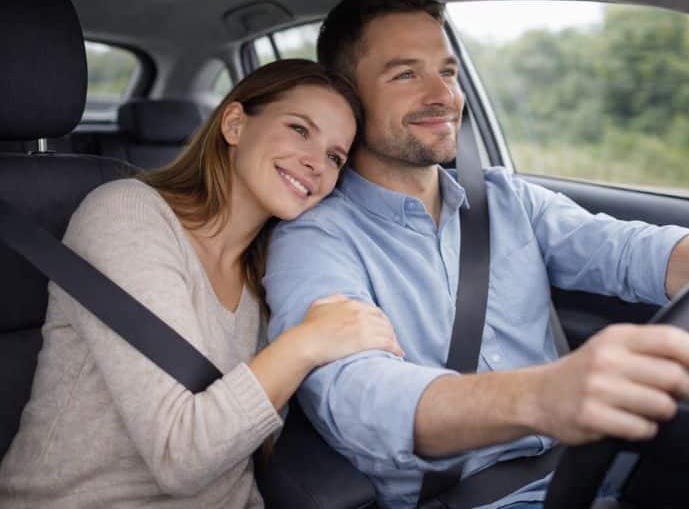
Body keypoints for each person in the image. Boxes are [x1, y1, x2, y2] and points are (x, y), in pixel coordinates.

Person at [263, 0, 689, 508]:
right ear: (347, 95)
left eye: (447, 72)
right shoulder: (316, 239)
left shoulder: (504, 198)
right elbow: (357, 396)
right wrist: (544, 396)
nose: (443, 96)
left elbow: (636, 252)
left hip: (593, 467)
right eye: (406, 73)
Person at [0, 59, 403, 508]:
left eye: (334, 156)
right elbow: (181, 454)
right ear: (234, 124)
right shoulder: (127, 216)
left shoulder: (274, 272)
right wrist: (308, 342)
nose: (315, 163)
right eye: (299, 129)